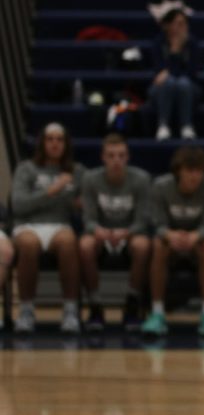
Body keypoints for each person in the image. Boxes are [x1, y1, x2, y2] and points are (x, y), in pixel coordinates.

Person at [11, 123, 85, 334]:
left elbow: (89, 198)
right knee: (28, 244)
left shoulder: (77, 171)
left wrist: (81, 204)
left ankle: (71, 310)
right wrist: (51, 192)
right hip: (28, 225)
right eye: (50, 139)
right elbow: (18, 205)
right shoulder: (26, 168)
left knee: (69, 242)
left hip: (59, 225)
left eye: (59, 139)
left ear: (66, 144)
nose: (54, 143)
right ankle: (26, 310)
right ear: (42, 143)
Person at [142, 146, 204, 337]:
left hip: (197, 241)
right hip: (170, 240)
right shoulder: (161, 186)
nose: (194, 176)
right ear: (179, 170)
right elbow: (156, 222)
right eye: (189, 170)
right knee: (158, 244)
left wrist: (195, 236)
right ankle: (157, 312)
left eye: (199, 171)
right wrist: (171, 235)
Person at [78, 134, 152, 332]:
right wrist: (99, 231)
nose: (116, 160)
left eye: (121, 155)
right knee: (85, 245)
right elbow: (88, 219)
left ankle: (132, 304)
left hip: (129, 233)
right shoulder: (90, 179)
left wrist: (126, 232)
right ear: (103, 157)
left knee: (143, 245)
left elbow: (143, 220)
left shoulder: (141, 179)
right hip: (101, 233)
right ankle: (95, 306)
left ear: (128, 157)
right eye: (111, 155)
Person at [149, 8, 202, 141]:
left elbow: (192, 73)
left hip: (189, 88)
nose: (183, 27)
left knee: (182, 82)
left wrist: (174, 55)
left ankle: (186, 126)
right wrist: (173, 53)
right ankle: (163, 125)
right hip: (162, 88)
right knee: (170, 82)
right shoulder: (158, 43)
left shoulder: (192, 43)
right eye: (178, 23)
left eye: (184, 23)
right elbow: (158, 73)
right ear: (168, 25)